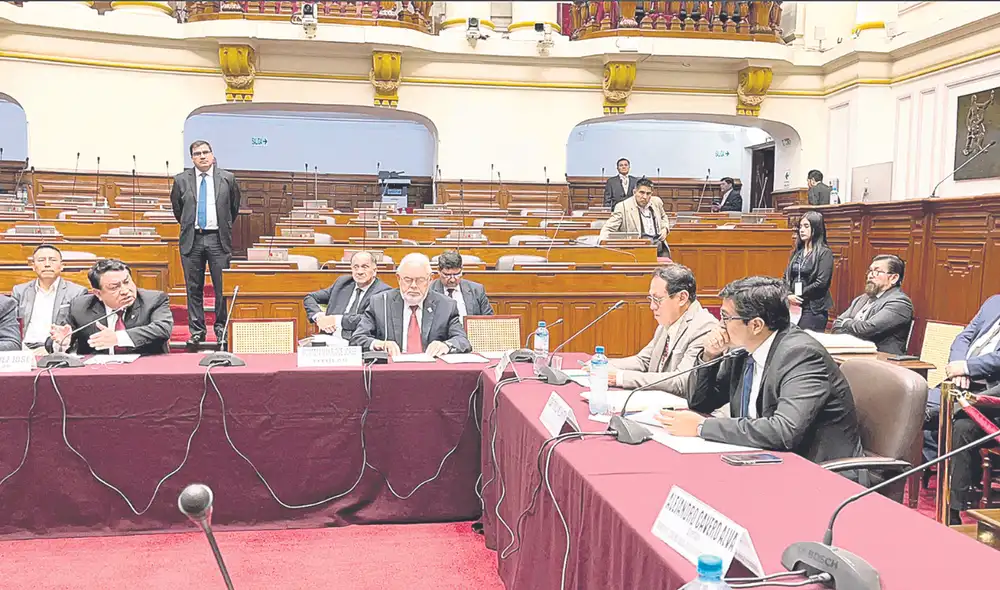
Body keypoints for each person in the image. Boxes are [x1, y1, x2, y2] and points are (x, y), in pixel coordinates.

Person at [656, 276, 864, 465]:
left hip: (816, 470)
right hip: (760, 458)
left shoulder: (801, 355)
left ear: (756, 325)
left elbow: (784, 431)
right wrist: (710, 355)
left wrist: (702, 428)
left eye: (726, 318)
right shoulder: (744, 350)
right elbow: (700, 402)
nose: (720, 325)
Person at [923, 295, 1000, 509]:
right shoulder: (994, 302)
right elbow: (963, 338)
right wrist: (959, 365)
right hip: (963, 383)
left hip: (993, 395)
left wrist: (968, 368)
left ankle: (953, 507)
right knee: (914, 401)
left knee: (962, 425)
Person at [169, 140, 242, 350]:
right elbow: (178, 210)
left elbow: (233, 208)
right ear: (192, 158)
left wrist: (221, 226)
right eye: (197, 153)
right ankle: (197, 332)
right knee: (194, 288)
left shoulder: (227, 179)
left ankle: (221, 330)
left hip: (218, 239)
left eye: (206, 152)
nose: (202, 156)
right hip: (193, 239)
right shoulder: (181, 180)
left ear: (212, 155)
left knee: (221, 288)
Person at [606, 264, 718, 395]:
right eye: (651, 299)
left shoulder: (704, 327)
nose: (652, 306)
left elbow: (681, 381)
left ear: (682, 298)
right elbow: (643, 361)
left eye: (657, 299)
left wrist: (621, 378)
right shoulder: (668, 321)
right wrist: (604, 365)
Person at [351, 252, 471, 358]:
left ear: (430, 279)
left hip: (431, 373)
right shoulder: (380, 302)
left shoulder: (446, 305)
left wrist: (445, 345)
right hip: (392, 373)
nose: (413, 285)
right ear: (398, 278)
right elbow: (357, 339)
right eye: (408, 280)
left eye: (420, 280)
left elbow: (462, 341)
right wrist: (379, 344)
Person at [50, 259, 173, 356]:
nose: (125, 291)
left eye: (127, 282)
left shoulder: (153, 300)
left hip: (144, 372)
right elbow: (55, 340)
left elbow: (162, 329)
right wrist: (62, 343)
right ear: (98, 293)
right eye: (115, 287)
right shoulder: (80, 307)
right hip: (97, 376)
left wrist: (118, 338)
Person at [10, 244, 88, 352]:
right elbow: (12, 325)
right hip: (23, 349)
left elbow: (77, 330)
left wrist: (50, 348)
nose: (47, 264)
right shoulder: (19, 291)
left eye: (52, 260)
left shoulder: (77, 292)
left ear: (62, 265)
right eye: (41, 260)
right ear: (33, 265)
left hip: (57, 349)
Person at [832, 254, 913, 354]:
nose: (870, 275)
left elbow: (867, 329)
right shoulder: (862, 299)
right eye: (870, 271)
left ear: (894, 278)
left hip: (883, 360)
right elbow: (836, 324)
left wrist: (846, 323)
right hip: (854, 353)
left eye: (877, 272)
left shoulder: (900, 303)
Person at [303, 251, 390, 341]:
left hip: (358, 344)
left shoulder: (383, 292)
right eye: (356, 267)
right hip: (329, 339)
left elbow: (369, 319)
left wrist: (336, 320)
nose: (359, 272)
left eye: (365, 267)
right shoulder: (342, 283)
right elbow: (310, 298)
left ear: (375, 270)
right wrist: (319, 317)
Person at [784, 211, 834, 332]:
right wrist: (788, 295)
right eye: (800, 227)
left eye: (806, 226)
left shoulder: (824, 252)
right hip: (794, 305)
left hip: (813, 308)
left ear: (816, 228)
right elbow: (786, 277)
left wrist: (799, 295)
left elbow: (821, 283)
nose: (802, 230)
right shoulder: (797, 252)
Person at [598, 177, 670, 257]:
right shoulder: (623, 207)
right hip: (638, 250)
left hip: (660, 248)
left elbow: (664, 217)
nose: (645, 197)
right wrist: (602, 244)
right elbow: (608, 229)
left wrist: (665, 229)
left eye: (648, 193)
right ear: (634, 192)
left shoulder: (657, 202)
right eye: (641, 193)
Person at [429, 250, 493, 318]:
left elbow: (488, 320)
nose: (452, 280)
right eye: (447, 275)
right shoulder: (429, 290)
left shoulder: (477, 290)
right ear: (438, 270)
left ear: (462, 269)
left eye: (457, 274)